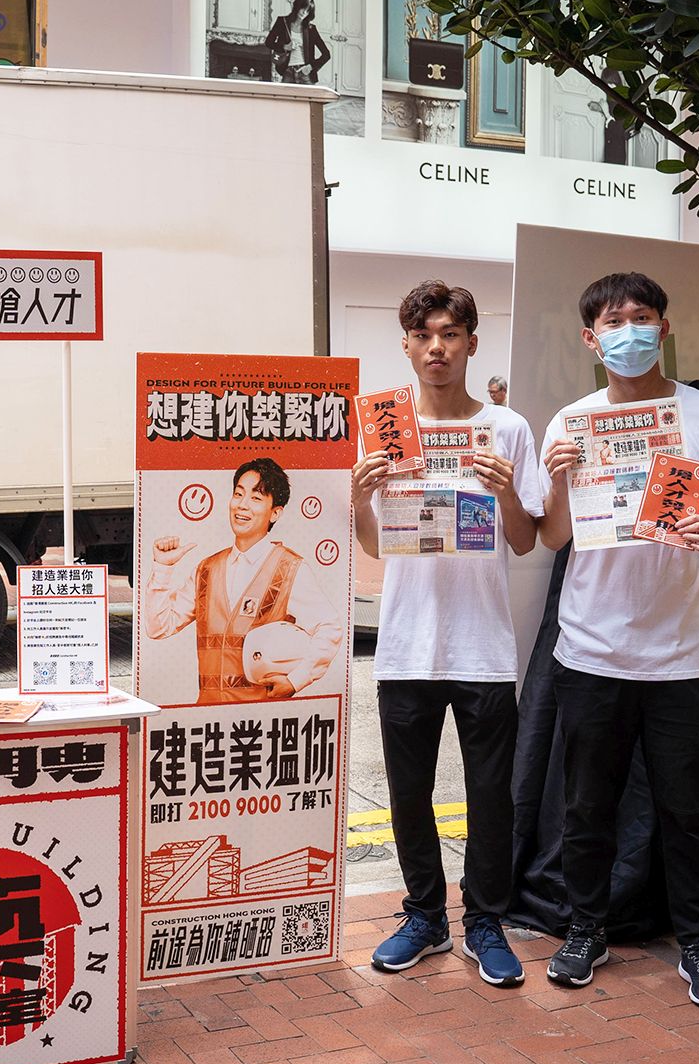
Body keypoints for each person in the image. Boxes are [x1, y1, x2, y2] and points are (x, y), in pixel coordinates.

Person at [536, 271, 699, 1011]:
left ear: (664, 326)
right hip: (591, 650)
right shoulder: (569, 423)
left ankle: (698, 943)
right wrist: (563, 482)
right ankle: (584, 928)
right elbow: (551, 537)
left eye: (640, 318)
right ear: (590, 338)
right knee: (586, 807)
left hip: (686, 656)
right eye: (611, 322)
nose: (627, 332)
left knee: (689, 810)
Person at [353, 282, 544, 987]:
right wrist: (354, 497)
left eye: (450, 334)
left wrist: (504, 495)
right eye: (423, 334)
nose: (437, 347)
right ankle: (425, 917)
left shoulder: (508, 429)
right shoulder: (382, 425)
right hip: (405, 643)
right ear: (405, 344)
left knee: (493, 795)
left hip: (484, 646)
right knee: (409, 792)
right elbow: (374, 547)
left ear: (470, 342)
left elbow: (524, 541)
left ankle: (485, 922)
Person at [144, 457, 344, 704]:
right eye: (238, 494)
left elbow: (329, 627)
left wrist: (296, 680)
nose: (242, 506)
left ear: (275, 513)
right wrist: (163, 568)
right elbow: (158, 627)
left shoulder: (289, 568)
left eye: (256, 498)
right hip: (206, 716)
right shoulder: (207, 569)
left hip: (259, 721)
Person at [266, 0, 332, 85]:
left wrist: (310, 67)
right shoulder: (282, 22)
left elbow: (326, 54)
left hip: (305, 74)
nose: (304, 12)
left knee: (308, 99)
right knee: (285, 99)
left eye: (308, 11)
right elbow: (268, 42)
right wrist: (285, 47)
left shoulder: (311, 29)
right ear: (297, 6)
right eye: (303, 8)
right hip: (288, 72)